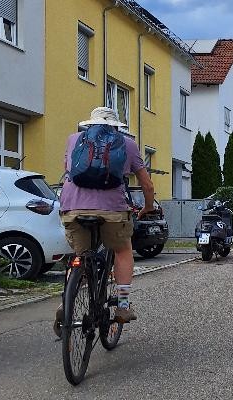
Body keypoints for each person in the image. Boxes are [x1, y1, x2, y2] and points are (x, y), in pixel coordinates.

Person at [55, 107, 155, 329]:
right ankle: (122, 304)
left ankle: (67, 302)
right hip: (112, 211)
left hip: (73, 208)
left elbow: (67, 172)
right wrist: (148, 206)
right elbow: (147, 184)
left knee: (80, 255)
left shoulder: (73, 140)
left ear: (90, 123)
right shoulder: (127, 143)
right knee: (122, 249)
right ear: (115, 126)